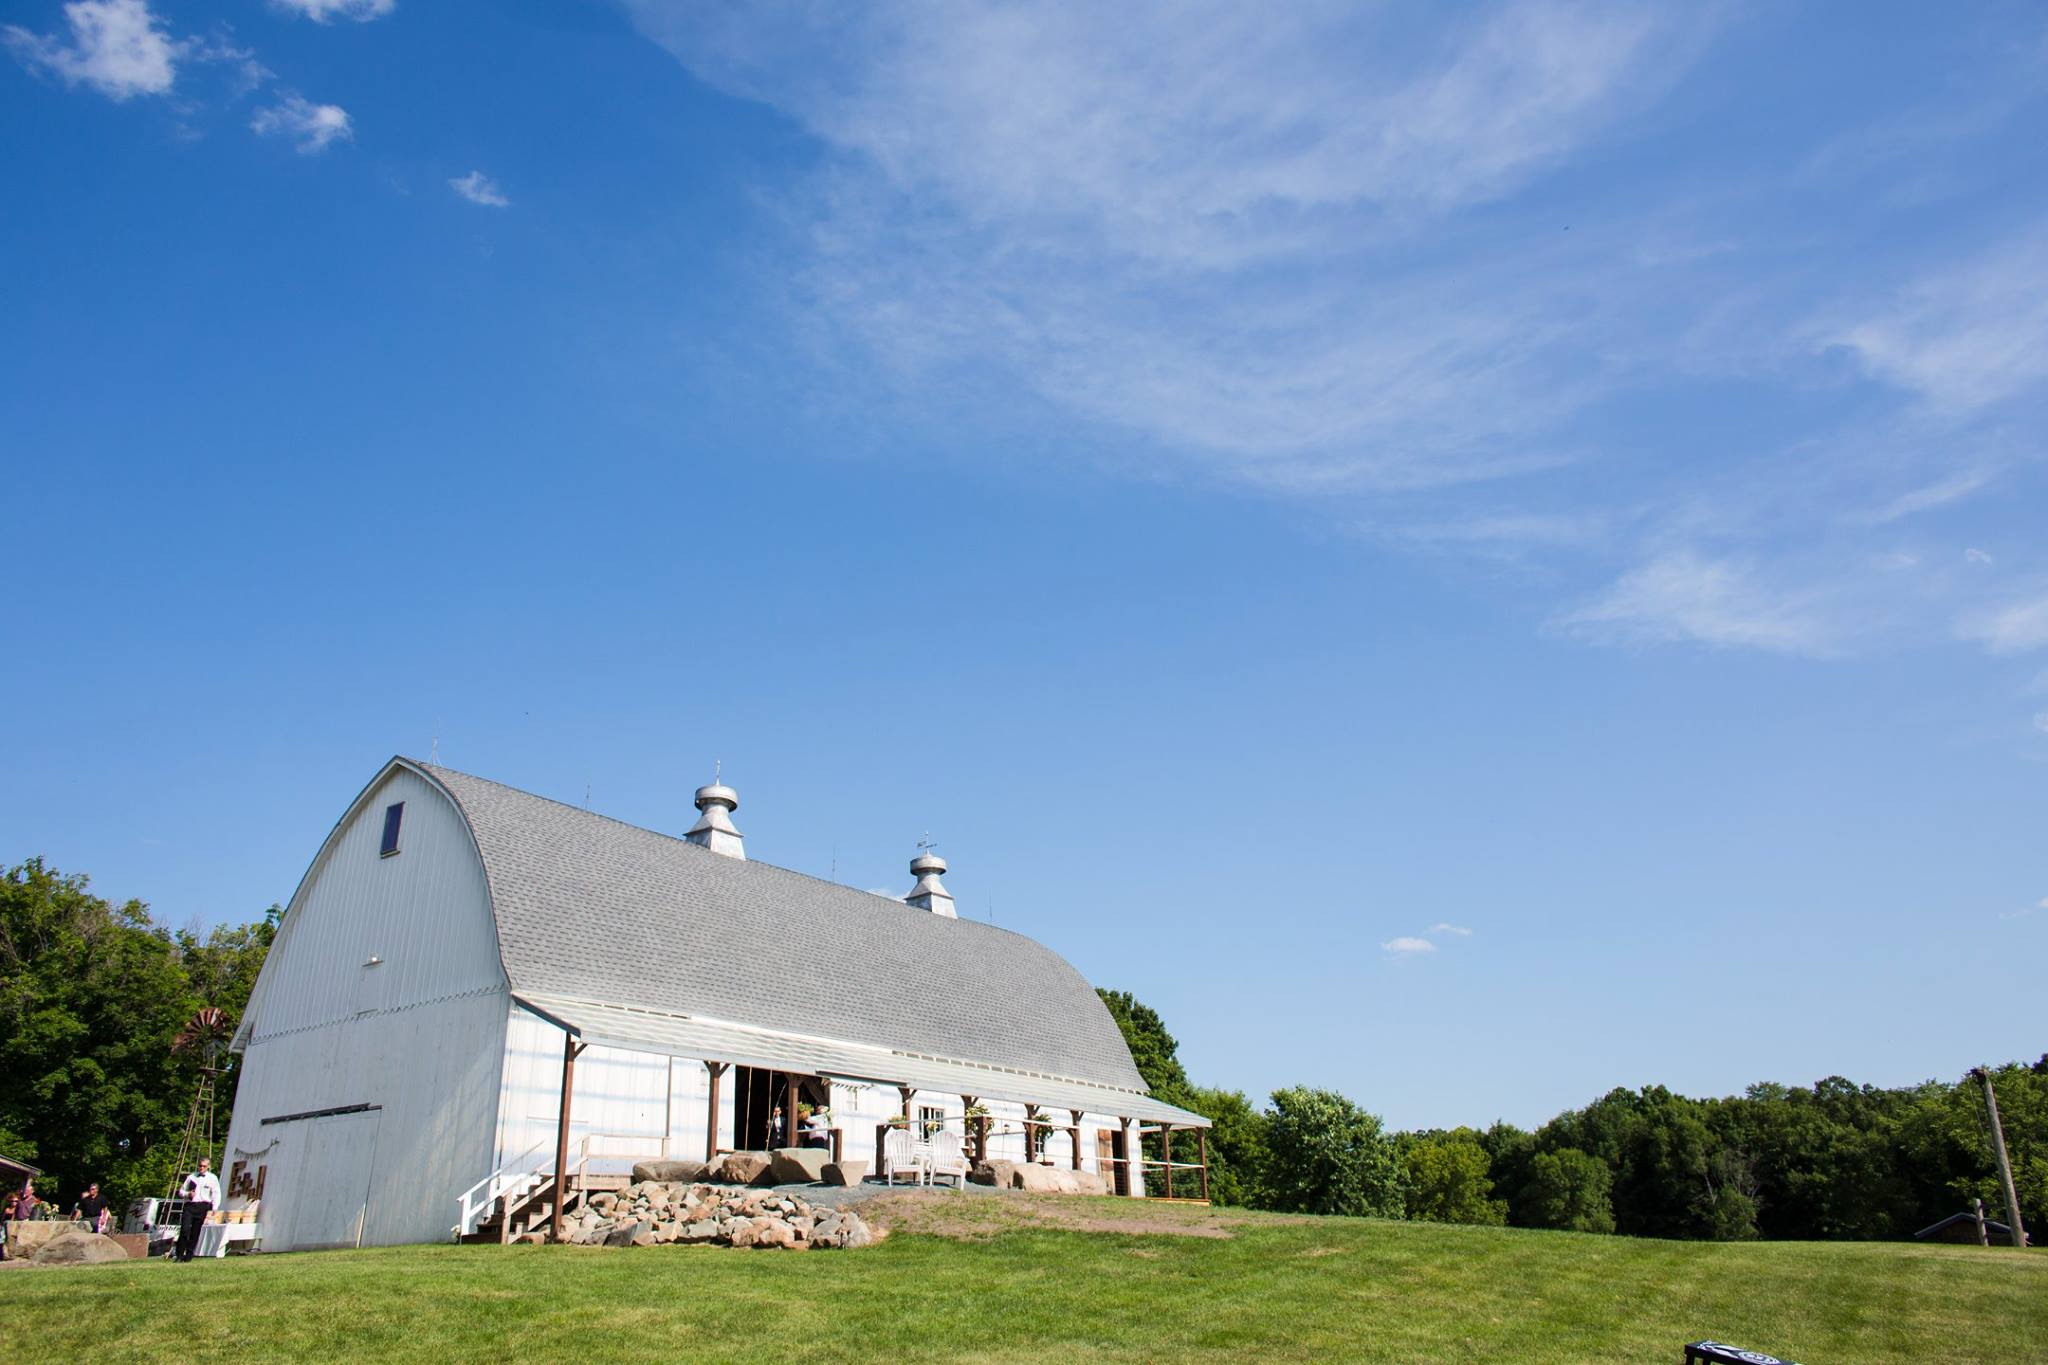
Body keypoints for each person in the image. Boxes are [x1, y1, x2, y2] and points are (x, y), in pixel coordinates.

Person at [174, 1158, 220, 1262]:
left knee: (195, 1232)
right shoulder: (191, 1177)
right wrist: (188, 1194)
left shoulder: (212, 1178)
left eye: (204, 1166)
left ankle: (189, 1255)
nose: (201, 1168)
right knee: (185, 1230)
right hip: (190, 1205)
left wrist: (215, 1207)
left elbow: (216, 1193)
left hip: (202, 1206)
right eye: (200, 1166)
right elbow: (181, 1191)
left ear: (208, 1166)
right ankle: (179, 1254)